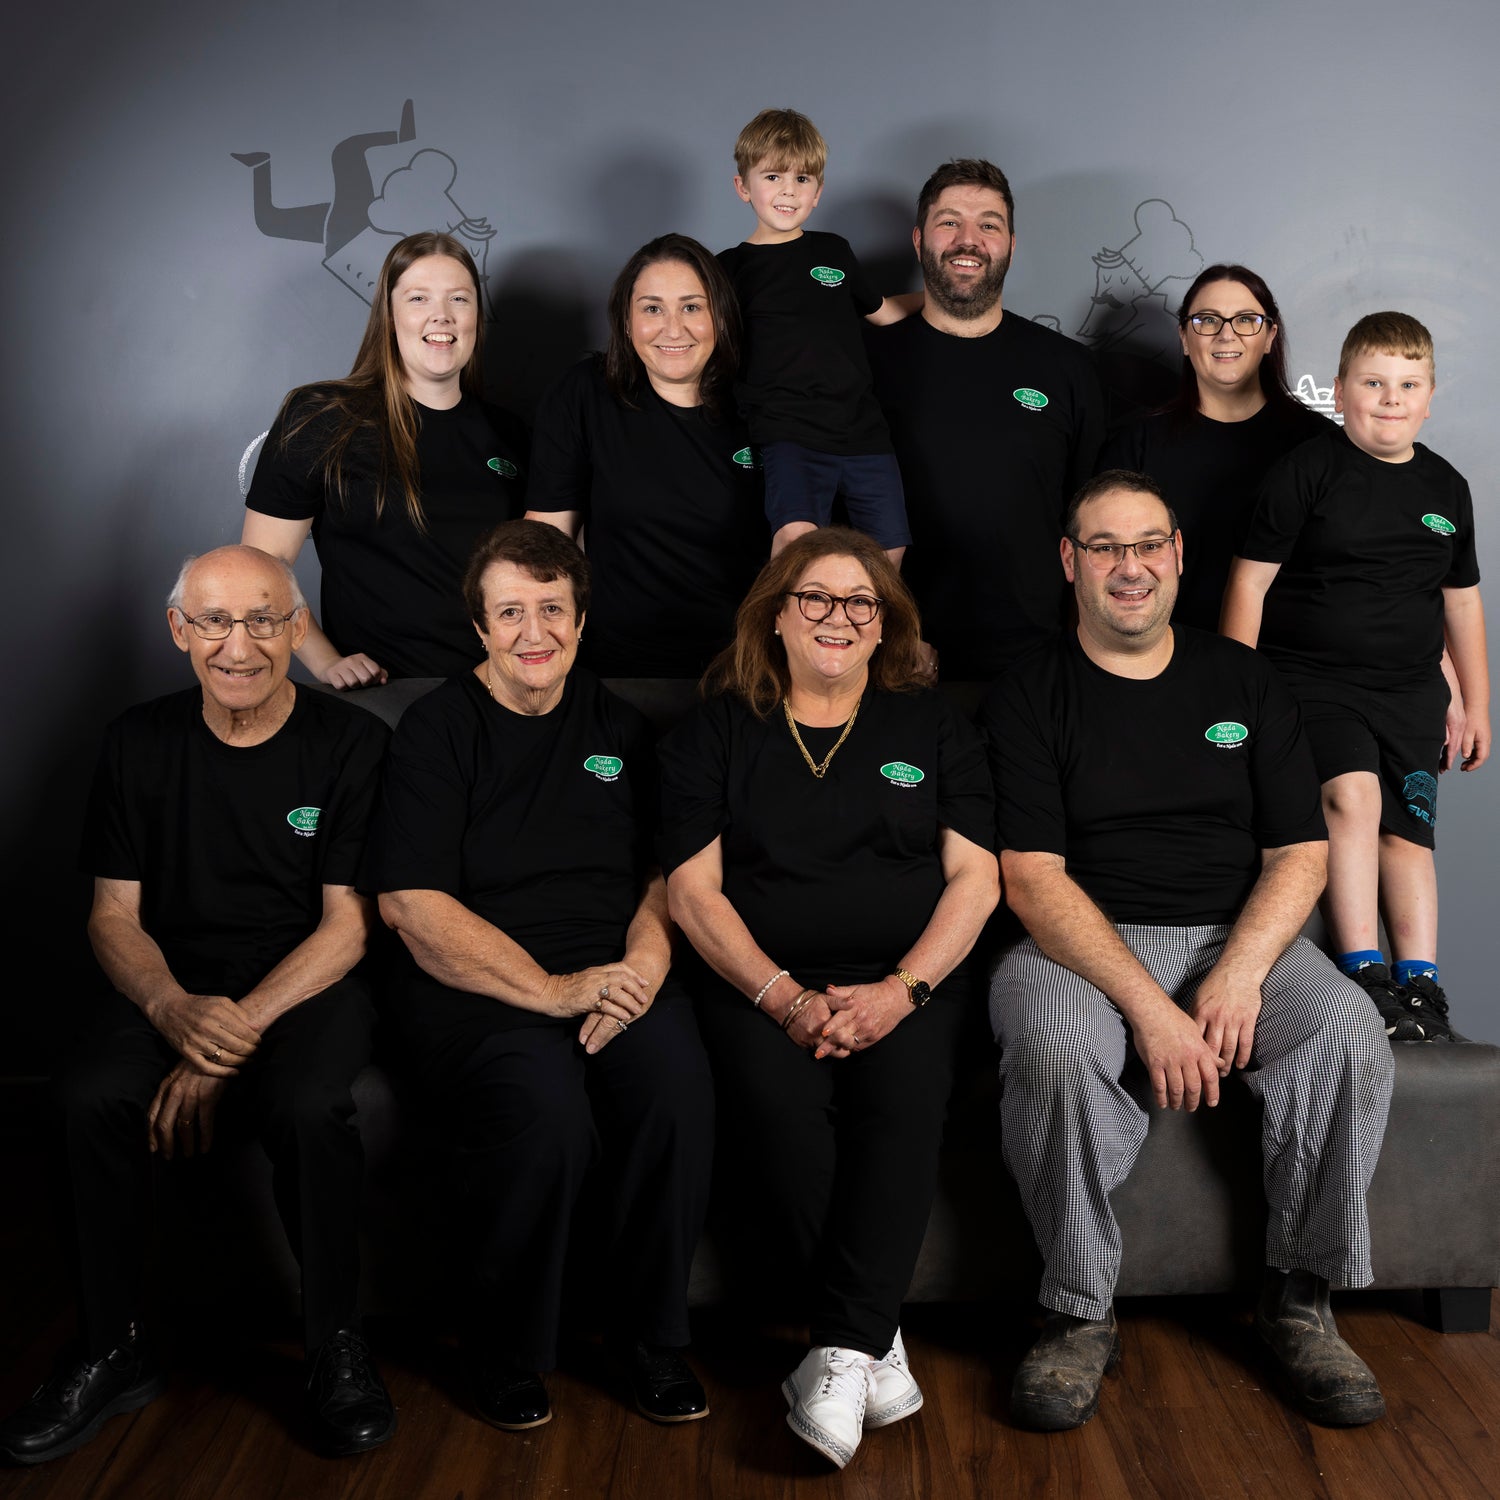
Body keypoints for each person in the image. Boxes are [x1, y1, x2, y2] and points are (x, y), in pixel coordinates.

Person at [983, 472, 1393, 1433]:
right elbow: (1033, 880)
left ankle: (1300, 1300)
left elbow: (1300, 854)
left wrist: (1239, 972)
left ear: (1176, 555)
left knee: (1347, 1030)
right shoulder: (1028, 692)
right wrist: (1151, 1009)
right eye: (1104, 547)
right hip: (1077, 947)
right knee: (1051, 1046)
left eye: (1146, 545)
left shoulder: (1244, 680)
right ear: (1070, 562)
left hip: (1238, 935)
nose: (1128, 567)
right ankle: (1078, 1310)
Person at [0, 546, 394, 1466]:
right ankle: (112, 1347)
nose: (238, 645)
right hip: (170, 980)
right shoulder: (137, 741)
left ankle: (336, 1346)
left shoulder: (352, 745)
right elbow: (112, 915)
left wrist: (227, 1038)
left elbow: (347, 928)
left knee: (309, 1105)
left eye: (263, 619)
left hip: (305, 983)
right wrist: (173, 1008)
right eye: (214, 620)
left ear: (298, 629)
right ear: (180, 631)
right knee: (85, 1097)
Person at [660, 528, 999, 1469]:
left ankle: (842, 1350)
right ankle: (870, 1347)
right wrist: (782, 997)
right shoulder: (715, 732)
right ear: (776, 615)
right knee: (778, 1114)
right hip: (756, 981)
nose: (837, 618)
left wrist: (900, 992)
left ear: (885, 624)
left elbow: (976, 879)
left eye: (860, 602)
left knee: (903, 1103)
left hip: (909, 979)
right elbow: (692, 892)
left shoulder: (934, 728)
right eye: (815, 597)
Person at [366, 520, 714, 1431]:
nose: (535, 632)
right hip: (477, 982)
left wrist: (642, 967)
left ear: (581, 621)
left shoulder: (620, 728)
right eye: (512, 612)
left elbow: (663, 875)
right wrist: (552, 992)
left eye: (553, 609)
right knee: (545, 1113)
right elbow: (410, 905)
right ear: (480, 627)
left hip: (614, 969)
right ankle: (506, 1347)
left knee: (674, 1090)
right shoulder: (437, 731)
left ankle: (648, 1338)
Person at [1222, 312, 1489, 1042]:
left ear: (1429, 397)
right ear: (1339, 392)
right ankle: (1363, 969)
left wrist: (1475, 702)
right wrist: (1236, 698)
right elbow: (1249, 584)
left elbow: (1461, 604)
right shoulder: (1308, 471)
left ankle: (1421, 986)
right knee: (1352, 797)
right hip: (1314, 683)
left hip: (1411, 693)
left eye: (1408, 385)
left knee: (1410, 832)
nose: (1391, 399)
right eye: (1373, 384)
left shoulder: (1448, 487)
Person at [244, 230, 529, 686]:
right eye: (418, 298)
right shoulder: (323, 418)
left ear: (477, 316)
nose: (442, 315)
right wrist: (326, 662)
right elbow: (260, 567)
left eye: (459, 299)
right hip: (380, 696)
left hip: (496, 690)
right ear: (390, 317)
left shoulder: (512, 434)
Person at [866, 158, 1105, 680]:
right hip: (891, 657)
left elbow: (1092, 523)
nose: (968, 240)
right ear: (918, 240)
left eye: (989, 225)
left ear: (1011, 245)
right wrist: (884, 635)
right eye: (949, 221)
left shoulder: (1067, 368)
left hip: (1034, 663)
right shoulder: (865, 364)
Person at [525, 233, 767, 679]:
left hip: (741, 672)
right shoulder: (585, 393)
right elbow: (546, 541)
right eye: (652, 309)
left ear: (721, 316)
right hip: (614, 671)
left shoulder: (762, 402)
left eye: (692, 307)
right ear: (625, 320)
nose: (673, 329)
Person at [719, 107, 914, 560]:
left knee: (890, 550)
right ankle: (781, 612)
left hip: (863, 431)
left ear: (818, 192)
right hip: (787, 433)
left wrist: (938, 298)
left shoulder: (833, 251)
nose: (788, 190)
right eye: (773, 176)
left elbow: (883, 312)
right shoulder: (727, 269)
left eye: (802, 179)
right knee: (796, 542)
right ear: (743, 187)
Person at [1099, 264, 1328, 630]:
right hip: (1169, 652)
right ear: (1184, 337)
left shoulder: (1319, 444)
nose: (1226, 334)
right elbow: (1102, 565)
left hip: (1290, 657)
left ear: (1269, 336)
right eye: (1207, 320)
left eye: (1246, 320)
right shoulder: (1136, 445)